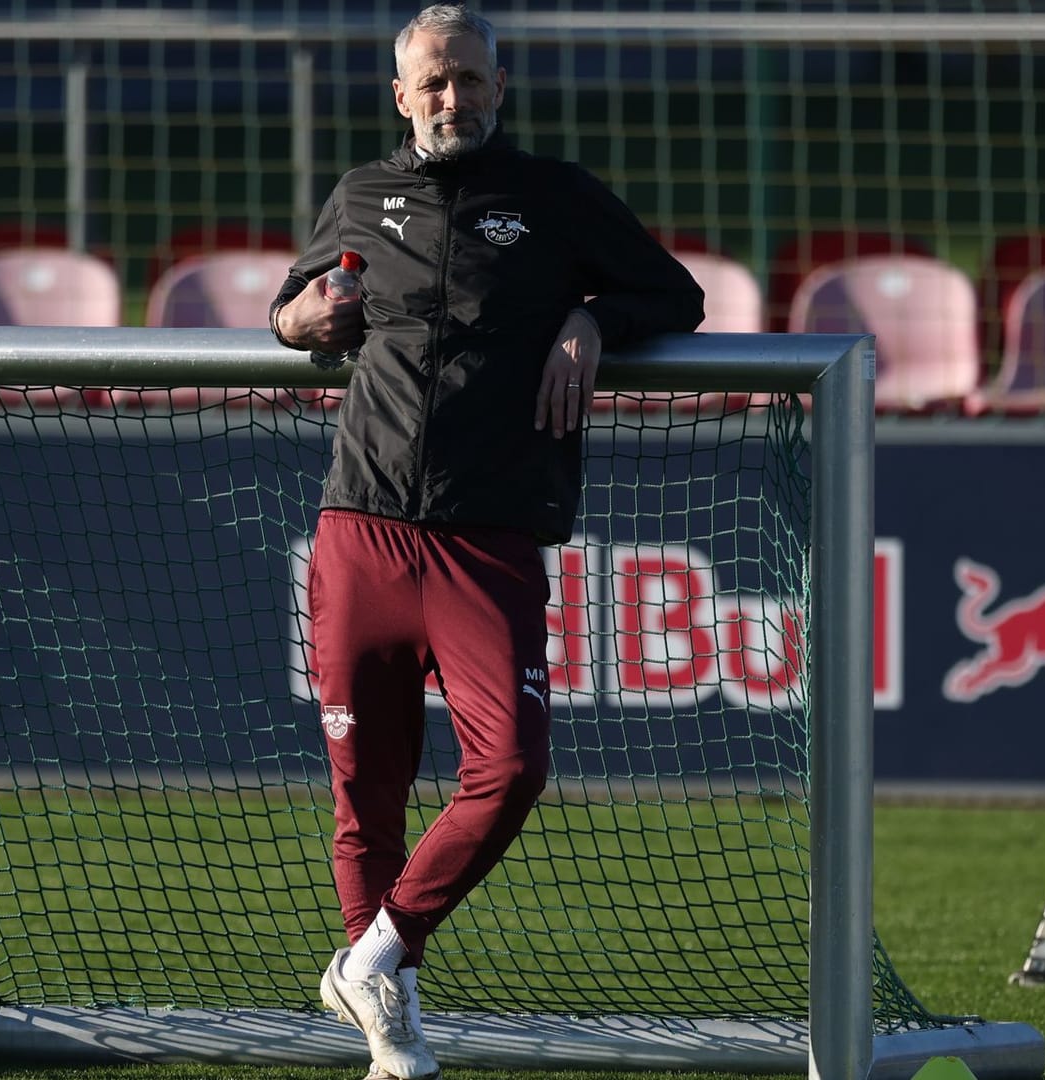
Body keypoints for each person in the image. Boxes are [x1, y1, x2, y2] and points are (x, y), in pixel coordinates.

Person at [269, 6, 704, 1078]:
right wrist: (302, 320)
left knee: (508, 766)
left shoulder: (555, 198)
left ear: (499, 87)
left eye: (468, 79)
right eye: (432, 83)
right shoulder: (361, 196)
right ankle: (388, 1030)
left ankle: (377, 950)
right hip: (359, 527)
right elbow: (290, 304)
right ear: (400, 95)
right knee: (363, 793)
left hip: (488, 537)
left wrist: (594, 319)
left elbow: (677, 294)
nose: (450, 98)